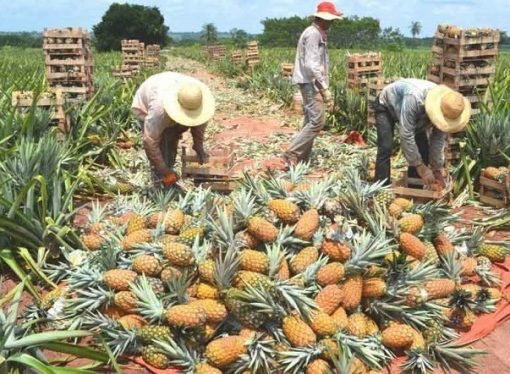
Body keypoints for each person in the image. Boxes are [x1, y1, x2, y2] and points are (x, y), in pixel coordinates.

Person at [373, 79, 471, 186]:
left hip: (416, 115)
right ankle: (380, 188)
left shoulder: (446, 108)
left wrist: (437, 167)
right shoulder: (414, 99)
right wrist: (421, 168)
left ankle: (414, 190)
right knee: (385, 147)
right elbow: (406, 134)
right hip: (387, 105)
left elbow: (437, 139)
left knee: (423, 150)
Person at [282, 1, 343, 167]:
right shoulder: (313, 34)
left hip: (311, 82)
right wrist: (324, 87)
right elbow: (311, 64)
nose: (331, 23)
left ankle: (302, 158)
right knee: (317, 121)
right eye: (330, 20)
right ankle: (292, 153)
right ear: (323, 19)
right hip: (310, 83)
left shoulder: (316, 32)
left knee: (310, 120)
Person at [131, 72, 215, 188]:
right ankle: (160, 182)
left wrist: (198, 145)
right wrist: (164, 169)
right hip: (148, 99)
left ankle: (168, 173)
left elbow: (199, 123)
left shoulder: (196, 97)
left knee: (172, 138)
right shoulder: (159, 111)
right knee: (162, 145)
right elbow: (150, 141)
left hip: (169, 85)